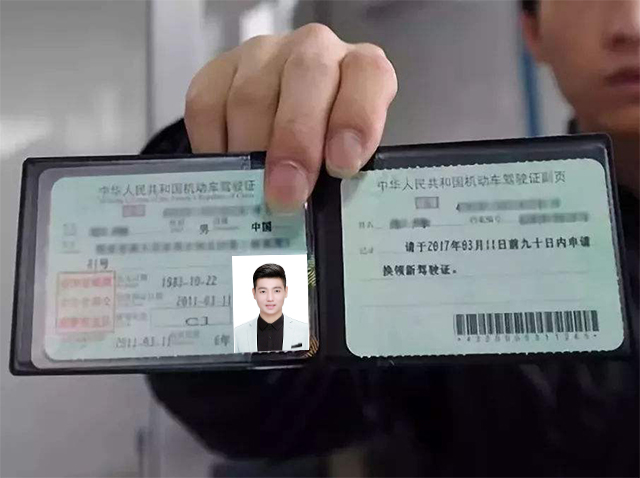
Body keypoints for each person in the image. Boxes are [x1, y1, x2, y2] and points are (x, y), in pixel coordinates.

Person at [146, 0, 639, 475]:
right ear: (533, 31)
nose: (631, 25)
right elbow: (258, 408)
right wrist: (226, 184)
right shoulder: (457, 246)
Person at [234, 263, 309, 353]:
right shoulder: (238, 334)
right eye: (263, 291)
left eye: (276, 291)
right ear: (254, 293)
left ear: (286, 292)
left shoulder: (305, 332)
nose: (270, 298)